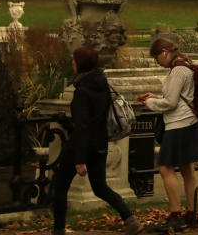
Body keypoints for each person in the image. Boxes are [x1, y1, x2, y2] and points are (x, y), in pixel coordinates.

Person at [53, 47, 141, 235]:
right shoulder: (102, 85)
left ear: (80, 65)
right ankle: (130, 219)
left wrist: (79, 159)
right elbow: (95, 120)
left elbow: (83, 126)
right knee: (100, 187)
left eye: (74, 61)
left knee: (59, 187)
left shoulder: (82, 91)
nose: (72, 63)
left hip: (80, 146)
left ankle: (58, 229)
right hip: (100, 145)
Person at [138, 38, 198, 232]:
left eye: (157, 59)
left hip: (179, 124)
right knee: (188, 169)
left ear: (164, 52)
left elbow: (171, 103)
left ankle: (175, 216)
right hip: (191, 122)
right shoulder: (185, 65)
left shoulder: (178, 70)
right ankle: (191, 214)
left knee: (165, 168)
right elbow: (180, 97)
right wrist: (156, 97)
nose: (158, 63)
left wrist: (150, 104)